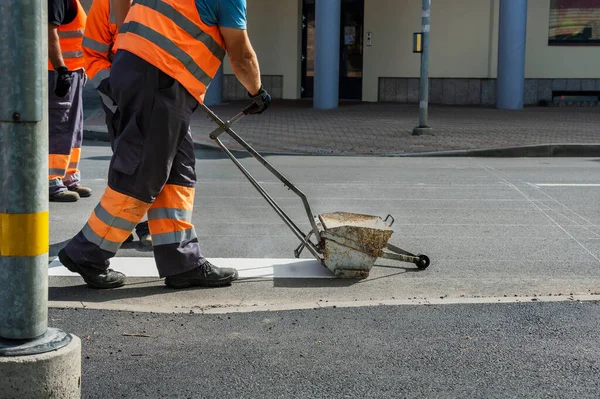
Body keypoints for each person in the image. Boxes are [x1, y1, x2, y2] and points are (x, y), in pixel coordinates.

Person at [59, 0, 271, 289]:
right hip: (159, 77)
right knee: (142, 174)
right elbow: (241, 54)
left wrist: (128, 44)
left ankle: (182, 261)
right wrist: (257, 91)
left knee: (178, 172)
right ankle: (87, 253)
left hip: (156, 76)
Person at [81, 0, 152, 247]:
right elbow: (93, 53)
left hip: (158, 98)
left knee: (161, 164)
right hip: (119, 101)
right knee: (129, 163)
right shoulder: (106, 4)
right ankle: (129, 226)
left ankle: (149, 226)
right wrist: (114, 87)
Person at [48, 0, 93, 202]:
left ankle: (68, 176)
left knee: (73, 128)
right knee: (60, 126)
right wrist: (61, 70)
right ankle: (51, 180)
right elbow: (49, 31)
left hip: (73, 72)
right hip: (58, 74)